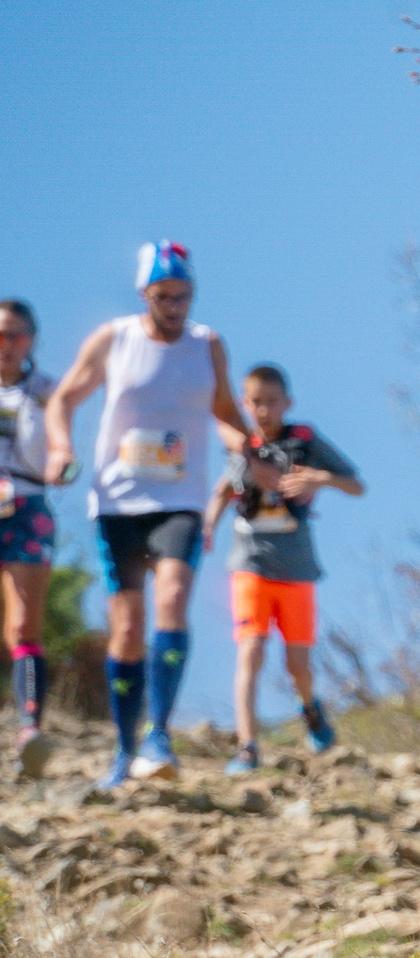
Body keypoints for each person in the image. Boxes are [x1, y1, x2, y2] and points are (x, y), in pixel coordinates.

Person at [46, 243, 255, 787]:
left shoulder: (207, 346)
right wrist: (60, 448)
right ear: (144, 295)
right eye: (163, 297)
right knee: (128, 627)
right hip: (118, 501)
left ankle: (158, 735)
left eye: (183, 296)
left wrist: (241, 449)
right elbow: (64, 398)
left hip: (179, 500)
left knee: (173, 598)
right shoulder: (115, 340)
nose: (174, 306)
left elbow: (227, 414)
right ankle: (124, 749)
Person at [206, 364, 362, 773]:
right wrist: (206, 526)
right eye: (255, 401)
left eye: (272, 401)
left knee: (298, 665)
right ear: (245, 402)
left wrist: (318, 479)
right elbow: (223, 489)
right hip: (250, 565)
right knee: (251, 650)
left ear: (287, 403)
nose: (264, 410)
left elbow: (355, 484)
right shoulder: (243, 447)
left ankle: (310, 709)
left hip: (296, 568)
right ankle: (247, 745)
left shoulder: (304, 441)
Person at [0, 301, 63, 779]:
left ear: (32, 340)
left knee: (23, 623)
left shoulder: (47, 392)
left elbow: (56, 450)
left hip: (26, 505)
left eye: (17, 335)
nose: (7, 344)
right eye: (1, 334)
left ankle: (29, 727)